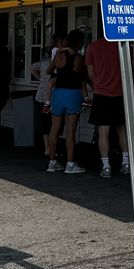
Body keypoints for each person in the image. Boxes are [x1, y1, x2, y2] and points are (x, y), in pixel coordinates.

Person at [86, 37, 130, 178]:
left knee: (103, 131)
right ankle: (126, 163)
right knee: (121, 129)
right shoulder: (121, 46)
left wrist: (100, 83)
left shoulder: (92, 47)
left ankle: (106, 167)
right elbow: (130, 68)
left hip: (101, 93)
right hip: (119, 92)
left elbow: (91, 74)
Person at [46, 29, 87, 174]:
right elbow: (82, 77)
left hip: (58, 93)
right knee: (71, 130)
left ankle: (52, 162)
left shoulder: (59, 56)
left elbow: (48, 70)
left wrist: (58, 53)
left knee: (54, 128)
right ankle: (70, 164)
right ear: (80, 42)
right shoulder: (79, 58)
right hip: (73, 94)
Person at [31, 32, 62, 156]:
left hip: (41, 94)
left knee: (45, 123)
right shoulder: (58, 63)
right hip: (53, 95)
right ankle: (53, 148)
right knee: (54, 123)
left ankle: (47, 148)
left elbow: (32, 67)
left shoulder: (43, 62)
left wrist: (40, 79)